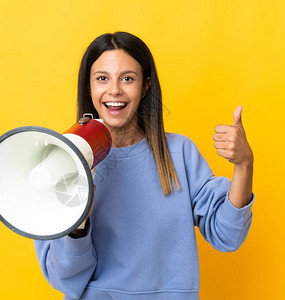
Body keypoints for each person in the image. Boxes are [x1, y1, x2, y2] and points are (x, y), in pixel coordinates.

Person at [34, 31, 255, 300]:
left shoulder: (179, 153)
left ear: (146, 85)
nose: (114, 90)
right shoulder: (61, 162)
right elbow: (64, 280)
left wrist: (244, 164)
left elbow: (227, 236)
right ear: (89, 87)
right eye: (102, 78)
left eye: (127, 78)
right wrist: (78, 224)